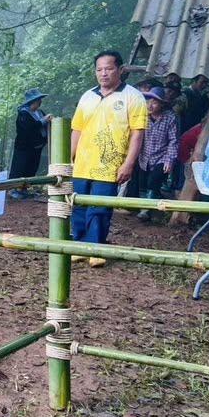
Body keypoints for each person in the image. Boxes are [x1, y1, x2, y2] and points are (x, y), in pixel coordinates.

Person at [70, 50, 147, 267]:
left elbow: (137, 133)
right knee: (78, 205)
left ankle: (96, 248)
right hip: (82, 162)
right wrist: (68, 159)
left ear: (120, 70)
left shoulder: (133, 97)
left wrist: (128, 163)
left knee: (100, 207)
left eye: (109, 68)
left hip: (110, 163)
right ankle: (78, 245)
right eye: (99, 69)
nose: (104, 73)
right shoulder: (87, 96)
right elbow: (77, 130)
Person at [134, 87, 179, 221]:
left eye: (154, 102)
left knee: (153, 181)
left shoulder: (170, 118)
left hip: (162, 157)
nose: (150, 105)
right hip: (144, 157)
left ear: (162, 104)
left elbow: (173, 140)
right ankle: (149, 206)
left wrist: (169, 160)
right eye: (148, 101)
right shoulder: (142, 116)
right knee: (142, 182)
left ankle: (145, 210)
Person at [8, 88, 51, 199]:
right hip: (24, 147)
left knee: (31, 169)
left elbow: (44, 124)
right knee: (20, 168)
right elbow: (28, 129)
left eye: (40, 99)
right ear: (32, 101)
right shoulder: (23, 114)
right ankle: (13, 190)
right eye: (38, 100)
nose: (40, 102)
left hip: (37, 147)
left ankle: (24, 189)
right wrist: (43, 121)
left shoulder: (40, 112)